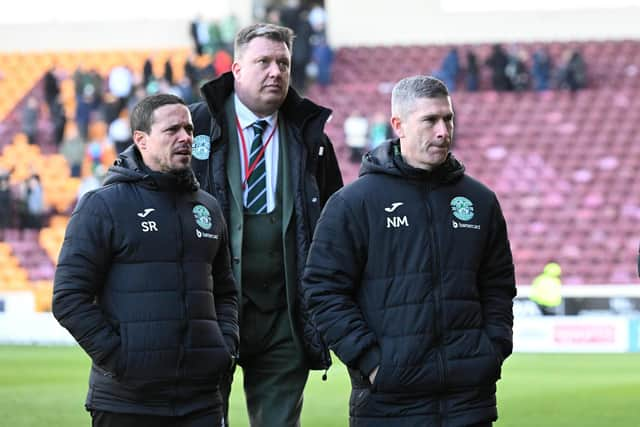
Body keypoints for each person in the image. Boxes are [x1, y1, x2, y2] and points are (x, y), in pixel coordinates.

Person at [303, 75, 516, 426]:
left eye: (448, 119)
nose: (443, 131)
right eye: (430, 120)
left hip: (469, 403)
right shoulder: (354, 203)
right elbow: (322, 289)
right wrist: (372, 363)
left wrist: (491, 350)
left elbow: (498, 285)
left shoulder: (479, 201)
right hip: (389, 405)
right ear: (398, 125)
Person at [52, 93, 239, 427]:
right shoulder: (102, 205)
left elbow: (225, 291)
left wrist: (223, 349)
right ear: (141, 140)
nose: (185, 138)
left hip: (201, 401)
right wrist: (122, 361)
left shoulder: (208, 208)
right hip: (127, 403)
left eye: (189, 129)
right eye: (172, 130)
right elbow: (68, 298)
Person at [189, 22, 343, 427]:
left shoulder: (313, 140)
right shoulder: (191, 128)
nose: (276, 71)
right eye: (264, 62)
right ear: (237, 68)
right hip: (208, 313)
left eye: (283, 63)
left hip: (285, 316)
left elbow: (334, 224)